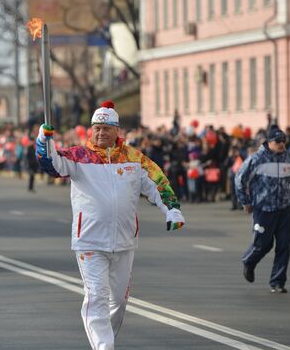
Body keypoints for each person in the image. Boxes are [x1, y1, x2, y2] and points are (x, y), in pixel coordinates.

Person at [35, 101, 185, 350]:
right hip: (90, 241)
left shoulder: (133, 159)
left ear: (117, 131)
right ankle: (104, 347)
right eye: (96, 128)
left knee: (118, 302)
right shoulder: (78, 157)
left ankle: (106, 341)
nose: (100, 133)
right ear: (90, 130)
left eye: (106, 128)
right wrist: (44, 140)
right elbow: (49, 164)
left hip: (125, 242)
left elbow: (158, 183)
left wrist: (172, 210)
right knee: (97, 297)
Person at [235, 126, 290, 293]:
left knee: (284, 246)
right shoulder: (257, 159)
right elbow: (240, 179)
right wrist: (246, 201)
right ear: (269, 142)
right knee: (263, 244)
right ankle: (249, 262)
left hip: (284, 209)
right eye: (277, 141)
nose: (281, 144)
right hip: (263, 209)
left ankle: (278, 281)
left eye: (283, 141)